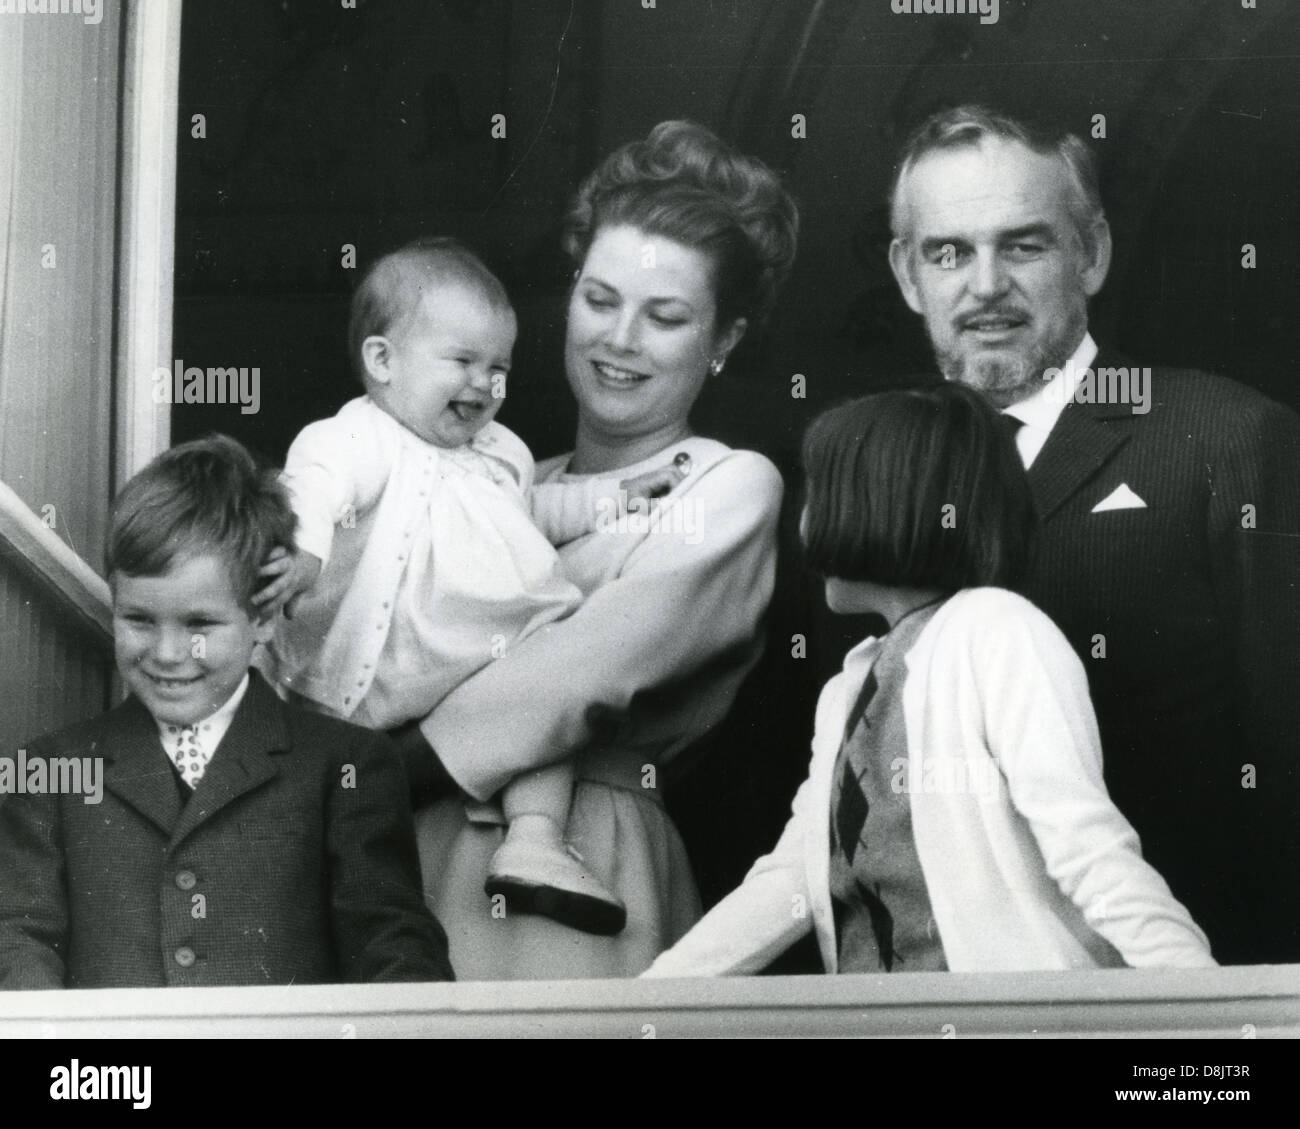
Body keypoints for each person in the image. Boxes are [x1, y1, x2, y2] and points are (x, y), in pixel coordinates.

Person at [885, 104, 1300, 965]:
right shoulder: (869, 475)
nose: (985, 283)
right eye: (949, 251)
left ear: (1094, 252)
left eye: (1024, 244)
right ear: (906, 274)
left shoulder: (1221, 435)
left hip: (1175, 1008)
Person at [402, 120, 798, 979]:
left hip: (579, 859)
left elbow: (579, 672)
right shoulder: (500, 482)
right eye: (600, 299)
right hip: (407, 846)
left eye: (665, 316)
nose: (620, 339)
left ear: (724, 340)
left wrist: (359, 773)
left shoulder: (729, 486)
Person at [644, 385, 1216, 976]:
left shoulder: (998, 630)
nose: (804, 523)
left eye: (821, 491)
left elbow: (1090, 848)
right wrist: (644, 1000)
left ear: (885, 501)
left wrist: (1205, 1011)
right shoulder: (846, 691)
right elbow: (791, 878)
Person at [255, 238, 679, 936]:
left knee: (542, 704)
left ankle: (535, 841)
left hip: (474, 668)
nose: (484, 384)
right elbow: (314, 490)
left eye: (499, 368)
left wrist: (615, 496)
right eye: (461, 362)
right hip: (375, 672)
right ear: (383, 362)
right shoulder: (358, 438)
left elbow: (536, 513)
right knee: (320, 813)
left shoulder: (502, 451)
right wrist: (302, 551)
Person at [0, 436, 454, 989]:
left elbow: (392, 944)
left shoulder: (346, 767)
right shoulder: (47, 772)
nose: (167, 654)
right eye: (139, 620)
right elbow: (18, 942)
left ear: (261, 620)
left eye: (199, 625)